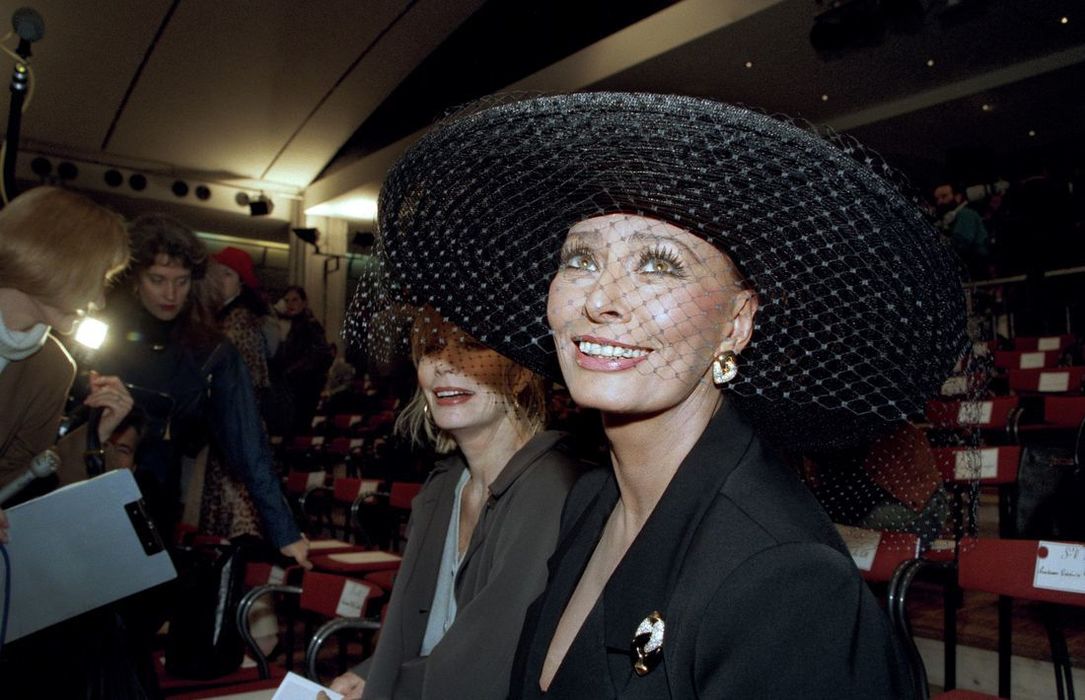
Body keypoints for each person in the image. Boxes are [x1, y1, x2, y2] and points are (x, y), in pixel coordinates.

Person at [362, 93, 968, 698]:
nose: (601, 299)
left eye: (658, 265)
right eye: (580, 259)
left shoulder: (784, 576)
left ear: (736, 323)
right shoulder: (591, 500)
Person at [330, 309, 581, 700]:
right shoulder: (443, 486)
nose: (444, 364)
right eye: (431, 348)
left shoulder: (549, 490)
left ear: (521, 373)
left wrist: (385, 689)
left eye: (472, 345)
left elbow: (486, 668)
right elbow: (429, 630)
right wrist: (370, 674)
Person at [95, 215, 310, 568]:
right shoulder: (99, 335)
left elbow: (248, 440)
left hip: (159, 495)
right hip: (89, 487)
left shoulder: (212, 350)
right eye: (157, 280)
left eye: (181, 281)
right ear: (134, 280)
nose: (170, 294)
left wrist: (284, 529)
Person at [0, 186, 133, 496]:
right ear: (54, 262)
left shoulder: (53, 369)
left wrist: (94, 435)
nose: (99, 301)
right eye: (97, 279)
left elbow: (15, 482)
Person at [272, 284, 333, 435]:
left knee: (298, 429)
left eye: (295, 300)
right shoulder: (290, 325)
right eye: (287, 300)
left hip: (305, 387)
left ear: (304, 302)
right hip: (292, 387)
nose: (290, 304)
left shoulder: (310, 326)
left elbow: (322, 355)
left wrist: (293, 370)